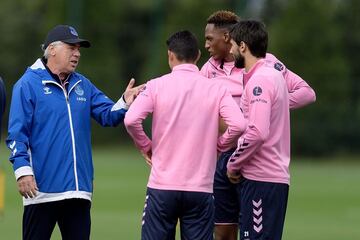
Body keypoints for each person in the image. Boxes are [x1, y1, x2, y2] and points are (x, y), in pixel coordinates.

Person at [6, 25, 143, 240]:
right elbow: (17, 135)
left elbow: (108, 115)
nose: (77, 54)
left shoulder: (83, 84)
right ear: (52, 49)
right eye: (71, 48)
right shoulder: (27, 85)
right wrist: (22, 171)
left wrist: (125, 101)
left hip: (79, 192)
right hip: (41, 192)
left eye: (79, 49)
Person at [201, 10, 316, 240]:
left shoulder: (267, 67)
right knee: (224, 231)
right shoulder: (209, 69)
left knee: (254, 231)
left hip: (253, 158)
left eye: (209, 39)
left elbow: (306, 93)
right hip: (226, 155)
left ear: (231, 40)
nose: (206, 45)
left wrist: (266, 108)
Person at [124, 30, 247, 240]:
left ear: (170, 55)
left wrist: (146, 146)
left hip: (162, 187)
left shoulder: (157, 85)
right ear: (198, 56)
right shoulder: (215, 88)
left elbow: (131, 119)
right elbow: (238, 125)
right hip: (201, 189)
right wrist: (219, 146)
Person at [227, 20, 291, 240]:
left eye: (233, 44)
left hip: (261, 179)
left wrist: (233, 164)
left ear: (243, 46)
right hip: (272, 179)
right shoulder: (273, 76)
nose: (231, 49)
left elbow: (257, 132)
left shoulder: (260, 82)